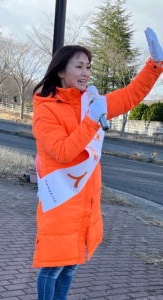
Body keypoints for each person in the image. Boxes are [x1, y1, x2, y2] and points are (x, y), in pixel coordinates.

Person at [32, 28, 163, 300]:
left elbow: (130, 95)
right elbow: (63, 152)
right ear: (60, 71)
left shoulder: (92, 102)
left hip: (86, 201)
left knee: (70, 267)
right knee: (53, 268)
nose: (86, 73)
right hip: (60, 200)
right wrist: (92, 120)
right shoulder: (45, 109)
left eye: (88, 67)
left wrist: (154, 65)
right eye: (78, 66)